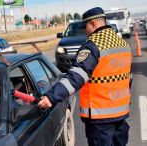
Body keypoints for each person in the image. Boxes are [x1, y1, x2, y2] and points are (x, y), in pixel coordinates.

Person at [38, 7, 132, 146]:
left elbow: (76, 77)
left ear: (93, 24)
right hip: (121, 114)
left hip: (100, 117)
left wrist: (51, 96)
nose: (85, 31)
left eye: (86, 26)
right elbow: (128, 79)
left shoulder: (93, 46)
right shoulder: (122, 44)